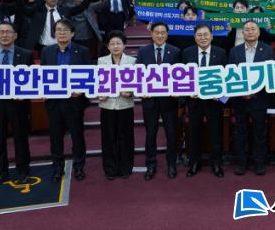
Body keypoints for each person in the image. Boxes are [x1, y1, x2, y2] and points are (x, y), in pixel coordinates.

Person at [40, 18, 91, 181]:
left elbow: (89, 75)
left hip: (74, 102)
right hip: (54, 102)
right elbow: (42, 75)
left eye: (66, 30)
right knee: (55, 137)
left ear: (73, 34)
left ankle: (79, 167)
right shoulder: (47, 52)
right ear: (54, 33)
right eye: (59, 30)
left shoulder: (82, 51)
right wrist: (42, 90)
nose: (62, 33)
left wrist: (82, 90)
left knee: (77, 136)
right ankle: (57, 168)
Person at [0, 22, 33, 185]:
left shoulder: (25, 54)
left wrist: (24, 93)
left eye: (8, 32)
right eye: (1, 32)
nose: (4, 35)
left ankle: (23, 170)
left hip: (17, 104)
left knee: (21, 138)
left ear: (15, 35)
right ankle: (0, 172)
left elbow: (31, 80)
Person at [136, 21, 181, 180]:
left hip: (169, 101)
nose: (160, 35)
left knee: (171, 134)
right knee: (150, 134)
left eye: (163, 33)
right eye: (157, 32)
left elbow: (180, 76)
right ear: (151, 34)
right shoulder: (143, 51)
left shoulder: (175, 51)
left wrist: (178, 93)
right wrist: (141, 91)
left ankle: (172, 164)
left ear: (167, 35)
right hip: (150, 101)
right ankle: (151, 165)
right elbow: (138, 74)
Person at [228, 20, 274, 176]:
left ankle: (259, 162)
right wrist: (242, 92)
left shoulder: (268, 50)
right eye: (246, 29)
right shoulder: (234, 51)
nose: (250, 32)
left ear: (259, 32)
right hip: (239, 99)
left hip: (259, 98)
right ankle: (241, 162)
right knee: (240, 132)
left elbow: (270, 75)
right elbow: (231, 75)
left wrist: (254, 92)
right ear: (242, 33)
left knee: (259, 132)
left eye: (253, 29)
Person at [181, 24, 227, 178]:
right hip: (194, 102)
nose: (203, 38)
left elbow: (227, 78)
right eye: (199, 35)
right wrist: (188, 93)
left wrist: (222, 97)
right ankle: (194, 162)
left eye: (206, 34)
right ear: (194, 37)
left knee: (216, 133)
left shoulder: (221, 53)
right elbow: (182, 78)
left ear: (212, 36)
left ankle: (216, 163)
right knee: (194, 132)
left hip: (214, 102)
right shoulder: (187, 53)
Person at [97, 30, 136, 180]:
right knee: (108, 138)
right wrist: (99, 94)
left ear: (124, 45)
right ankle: (110, 169)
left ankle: (126, 167)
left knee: (126, 137)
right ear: (107, 46)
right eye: (112, 43)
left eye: (118, 43)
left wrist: (131, 93)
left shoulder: (132, 61)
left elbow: (138, 83)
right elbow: (96, 83)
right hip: (107, 105)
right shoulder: (101, 61)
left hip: (125, 105)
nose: (115, 46)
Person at [17, 0, 92, 52]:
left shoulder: (64, 10)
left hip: (62, 47)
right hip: (43, 48)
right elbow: (23, 9)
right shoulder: (38, 11)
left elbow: (81, 8)